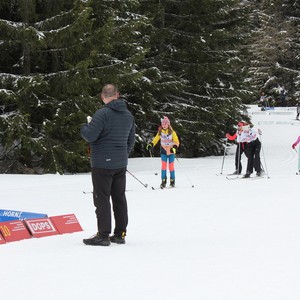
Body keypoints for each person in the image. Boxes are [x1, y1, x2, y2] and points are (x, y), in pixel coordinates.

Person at [80, 84, 135, 246]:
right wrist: (122, 154)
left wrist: (84, 126)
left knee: (101, 198)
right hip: (120, 163)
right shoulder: (128, 115)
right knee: (119, 198)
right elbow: (131, 140)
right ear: (117, 95)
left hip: (102, 164)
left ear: (102, 96)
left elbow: (90, 135)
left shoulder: (102, 114)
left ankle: (103, 234)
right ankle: (120, 233)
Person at [146, 116, 180, 188]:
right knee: (164, 167)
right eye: (163, 124)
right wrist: (151, 144)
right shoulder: (160, 132)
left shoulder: (172, 132)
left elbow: (176, 141)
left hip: (171, 152)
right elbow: (156, 139)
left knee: (171, 167)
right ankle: (163, 181)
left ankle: (172, 181)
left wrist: (174, 147)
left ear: (168, 124)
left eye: (166, 124)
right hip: (163, 151)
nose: (164, 125)